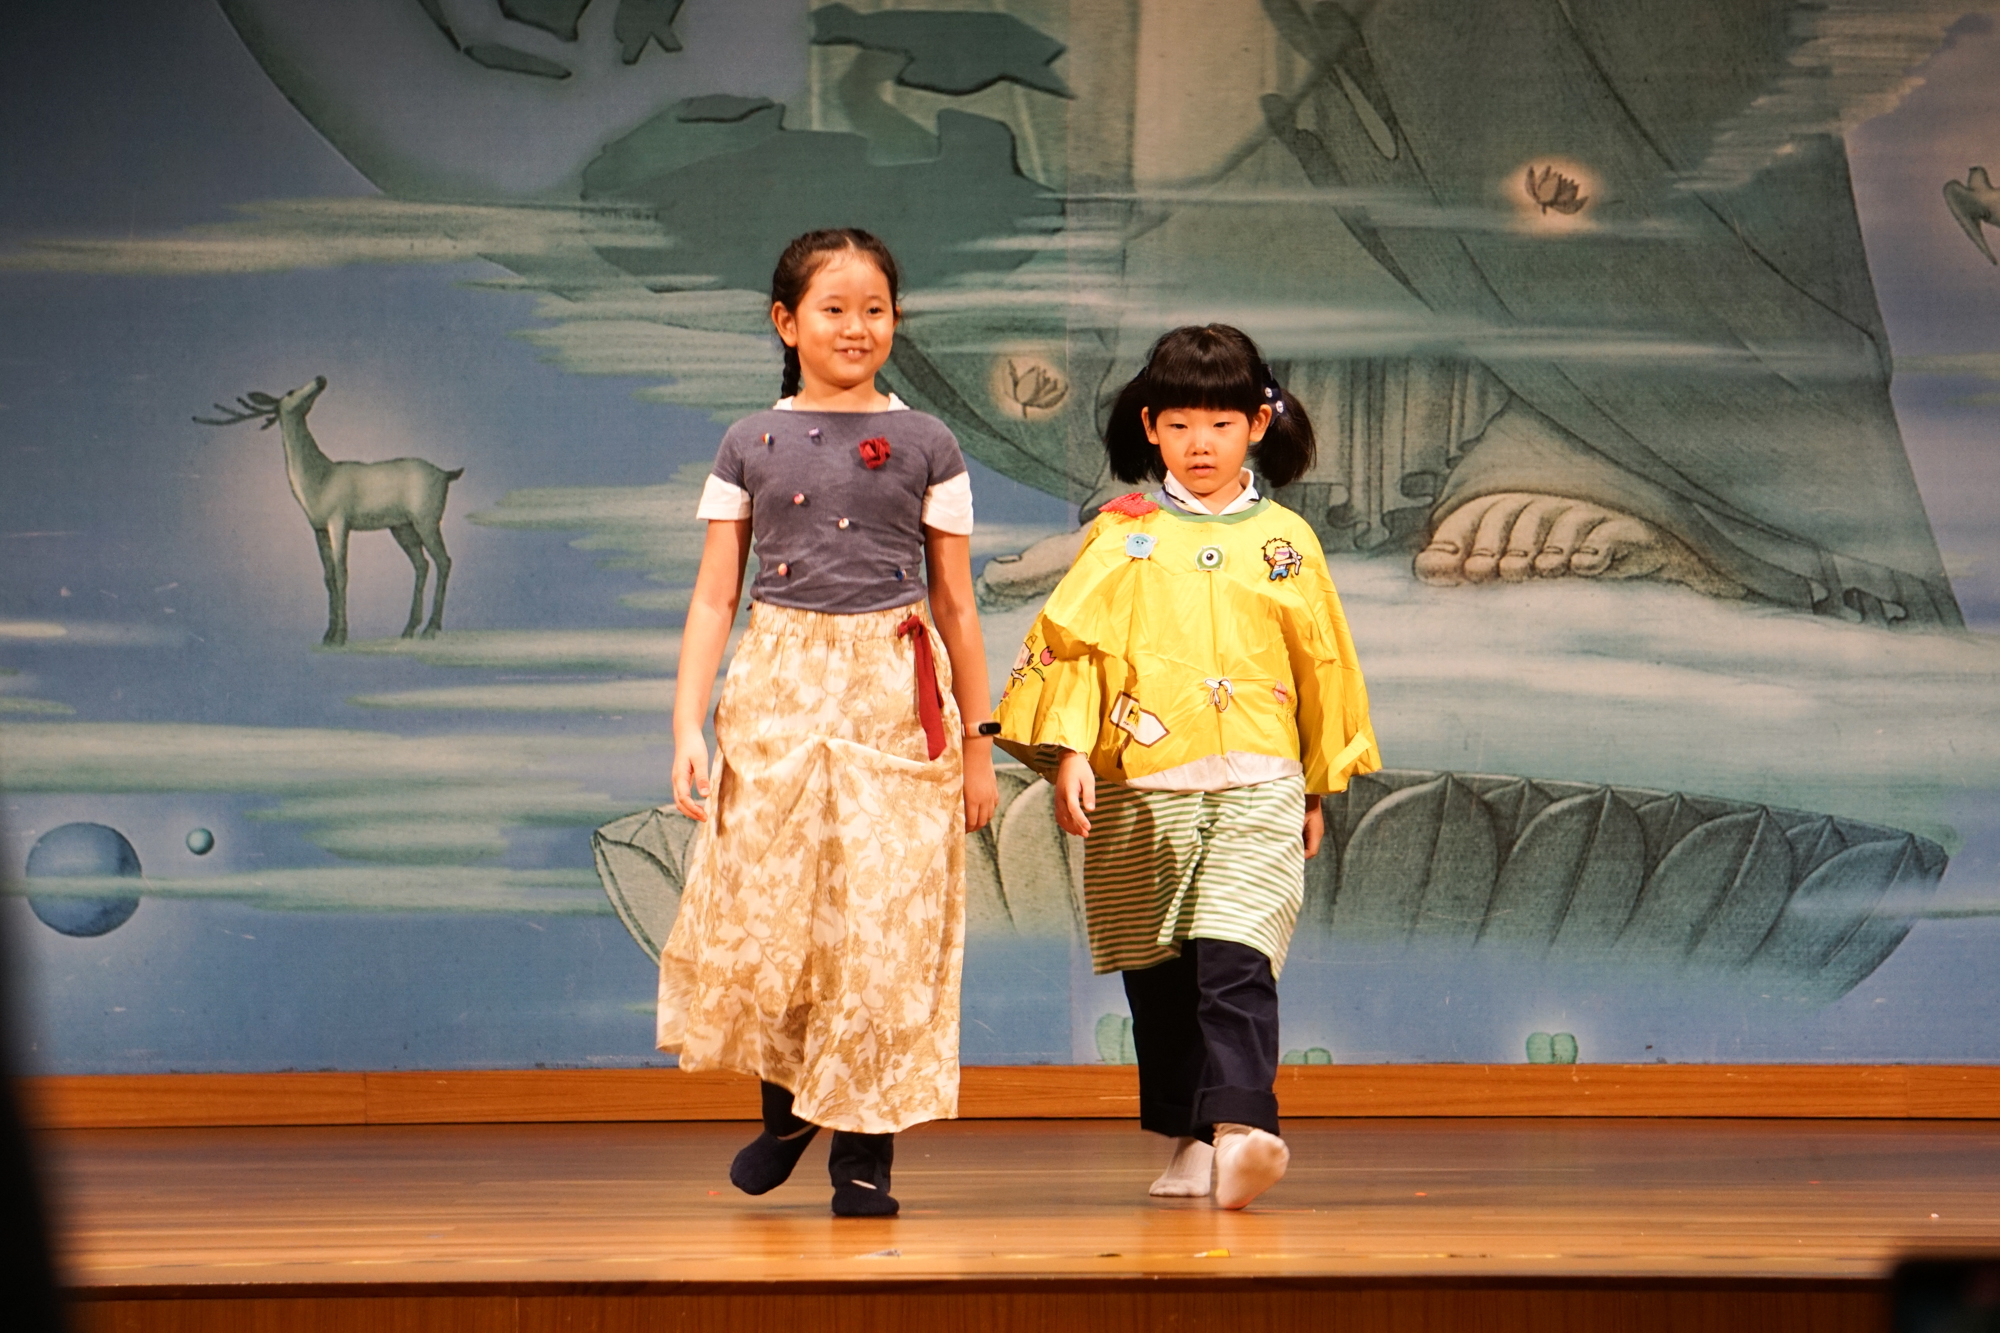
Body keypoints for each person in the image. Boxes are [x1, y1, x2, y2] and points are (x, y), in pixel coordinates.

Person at [995, 324, 1380, 1210]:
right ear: (1149, 426)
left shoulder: (1287, 541)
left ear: (1257, 423)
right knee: (1160, 972)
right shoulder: (1123, 535)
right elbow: (1072, 650)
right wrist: (1068, 759)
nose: (1199, 442)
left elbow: (1322, 663)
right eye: (1178, 423)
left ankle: (1245, 1125)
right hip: (1141, 780)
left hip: (1260, 775)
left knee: (1236, 950)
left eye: (1219, 421)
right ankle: (1189, 1135)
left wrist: (1319, 780)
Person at [663, 228, 998, 1218]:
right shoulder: (746, 442)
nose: (856, 326)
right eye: (833, 308)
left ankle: (865, 1147)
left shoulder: (930, 442)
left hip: (895, 692)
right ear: (786, 320)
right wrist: (689, 724)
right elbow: (713, 597)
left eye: (875, 309)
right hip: (776, 681)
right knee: (779, 916)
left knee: (884, 924)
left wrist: (981, 745)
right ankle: (785, 1108)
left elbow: (958, 604)